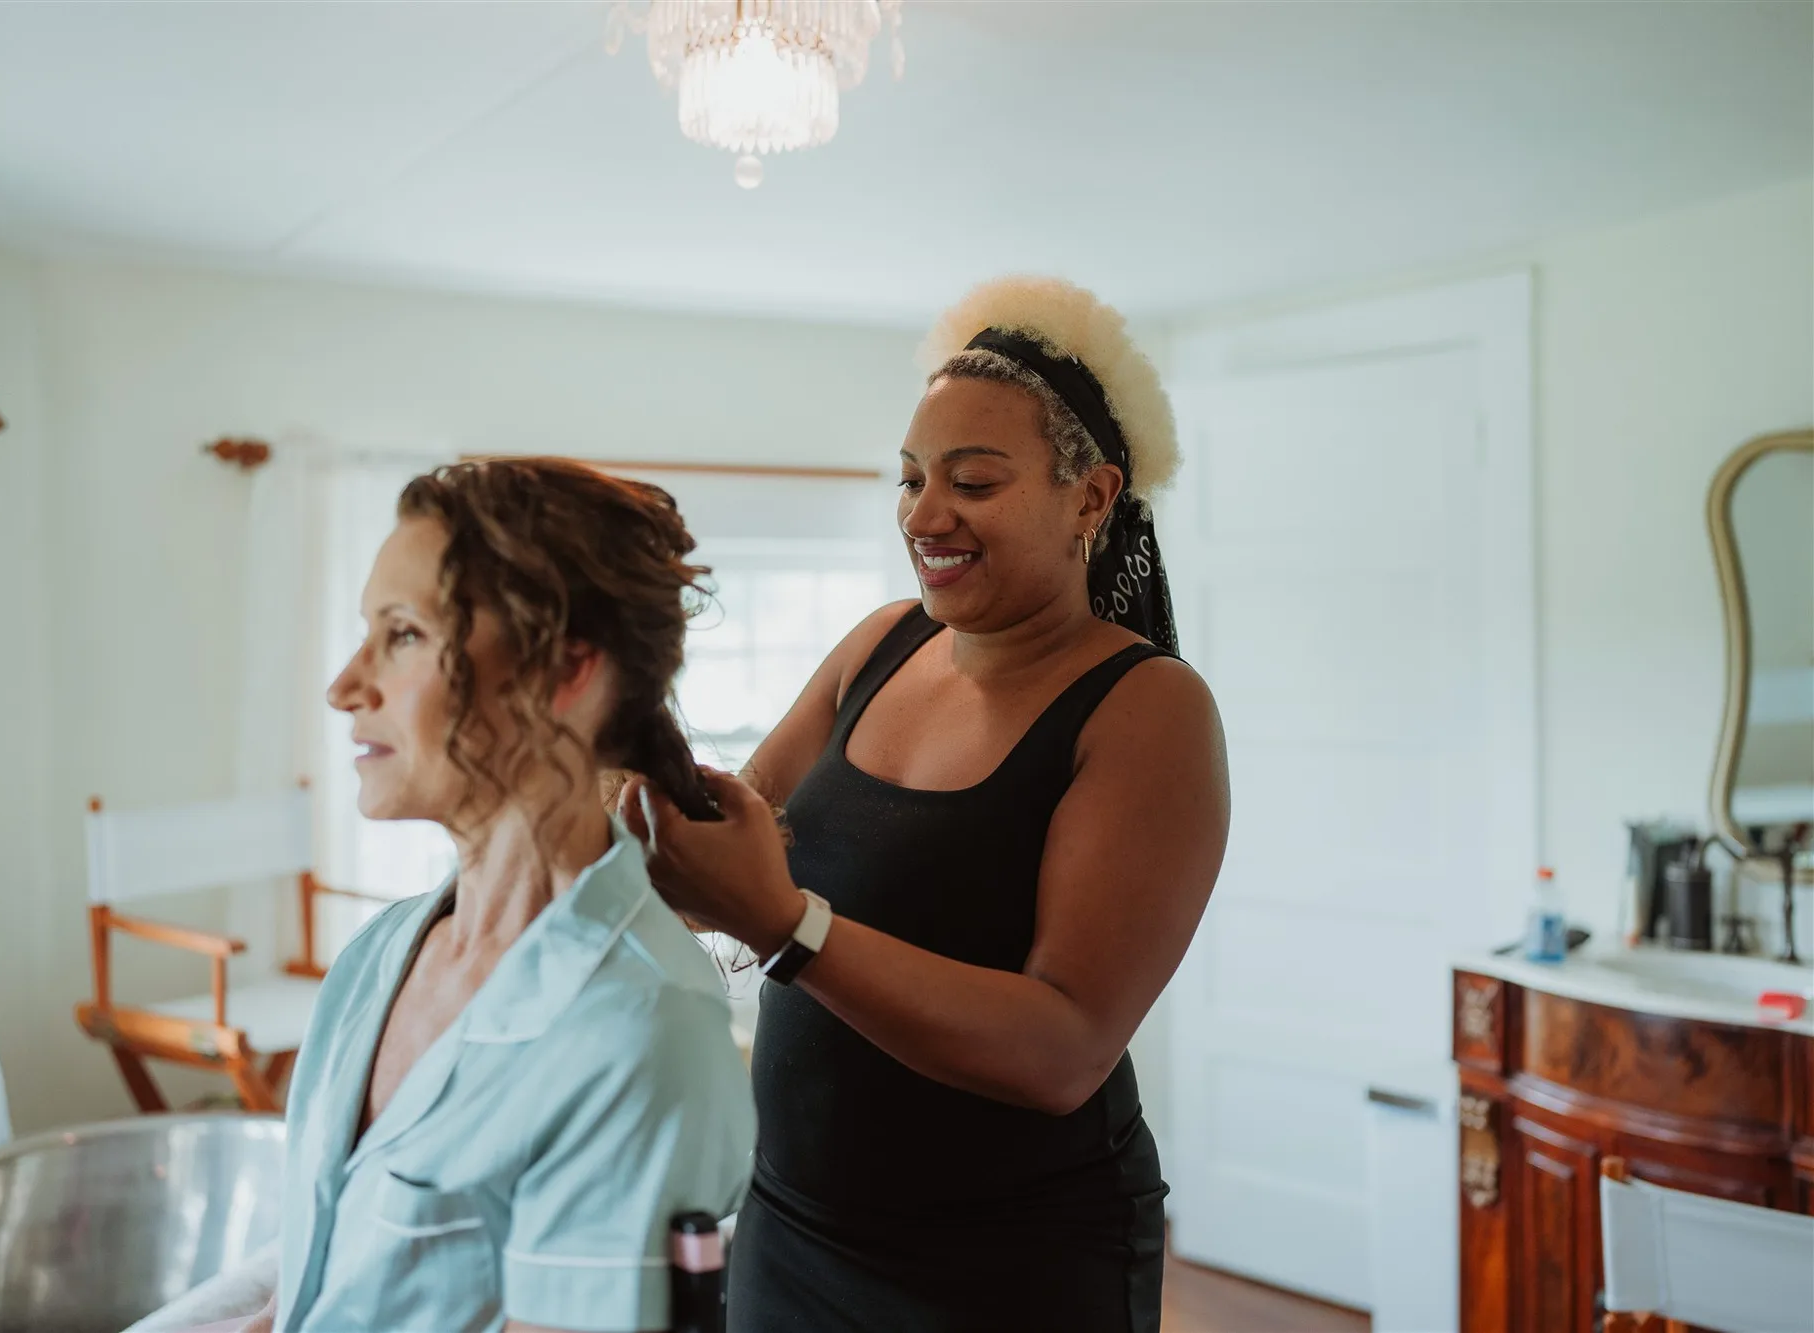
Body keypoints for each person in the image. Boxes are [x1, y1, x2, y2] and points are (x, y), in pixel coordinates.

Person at [623, 277, 1230, 1332]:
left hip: (1006, 1267)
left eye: (973, 481)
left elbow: (1061, 1047)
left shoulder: (1145, 711)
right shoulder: (880, 643)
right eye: (908, 479)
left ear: (1089, 497)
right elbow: (725, 847)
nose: (922, 513)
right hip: (788, 1224)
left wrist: (787, 927)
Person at [242, 458, 754, 1333]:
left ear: (565, 671)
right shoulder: (378, 958)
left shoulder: (642, 1034)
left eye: (401, 634)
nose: (344, 686)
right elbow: (317, 1294)